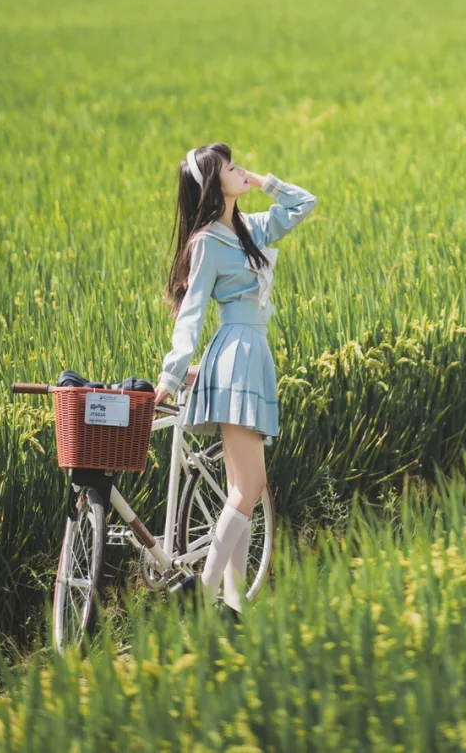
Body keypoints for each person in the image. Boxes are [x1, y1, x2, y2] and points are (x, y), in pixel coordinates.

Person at [154, 143, 317, 616]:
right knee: (249, 487)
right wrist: (171, 372)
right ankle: (200, 593)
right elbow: (192, 313)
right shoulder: (206, 242)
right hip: (234, 356)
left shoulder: (251, 229)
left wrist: (266, 182)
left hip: (253, 354)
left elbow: (304, 204)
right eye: (229, 167)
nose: (238, 168)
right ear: (211, 184)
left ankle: (233, 606)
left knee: (238, 493)